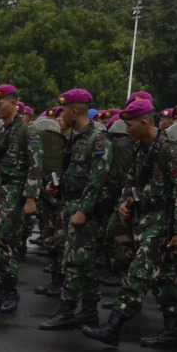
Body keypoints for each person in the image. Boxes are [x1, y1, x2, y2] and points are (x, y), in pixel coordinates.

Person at [80, 97, 177, 348]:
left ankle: (114, 326)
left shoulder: (170, 150)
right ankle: (173, 330)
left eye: (130, 125)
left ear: (145, 122)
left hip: (162, 222)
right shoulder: (141, 147)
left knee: (138, 272)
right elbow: (133, 181)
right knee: (164, 277)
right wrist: (125, 202)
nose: (127, 130)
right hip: (145, 218)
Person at [39, 89, 112, 331]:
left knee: (72, 261)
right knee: (85, 263)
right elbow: (75, 172)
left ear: (73, 111)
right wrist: (56, 186)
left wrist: (85, 210)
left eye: (62, 111)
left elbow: (97, 178)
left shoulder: (97, 137)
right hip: (71, 203)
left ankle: (67, 311)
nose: (60, 115)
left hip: (84, 208)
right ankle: (90, 311)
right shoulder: (76, 136)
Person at [0, 84, 42, 312]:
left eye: (0, 104)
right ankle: (3, 291)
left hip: (14, 192)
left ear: (14, 103)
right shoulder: (2, 131)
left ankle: (11, 292)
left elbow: (36, 166)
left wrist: (31, 198)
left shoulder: (27, 130)